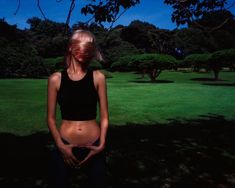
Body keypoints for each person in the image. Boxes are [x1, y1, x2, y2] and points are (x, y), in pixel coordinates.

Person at [47, 29, 109, 188]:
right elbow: (51, 119)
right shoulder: (56, 79)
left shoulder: (98, 77)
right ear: (70, 47)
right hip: (65, 145)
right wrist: (61, 146)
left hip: (94, 145)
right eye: (80, 44)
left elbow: (104, 117)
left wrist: (101, 145)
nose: (84, 49)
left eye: (89, 45)